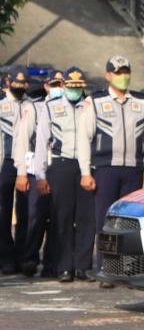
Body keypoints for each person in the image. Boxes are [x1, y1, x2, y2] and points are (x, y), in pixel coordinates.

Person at [78, 56, 144, 286]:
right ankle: (105, 268)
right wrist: (85, 172)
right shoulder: (96, 101)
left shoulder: (142, 101)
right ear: (108, 75)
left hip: (133, 170)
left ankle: (128, 269)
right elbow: (84, 138)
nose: (123, 75)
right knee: (105, 221)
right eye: (118, 71)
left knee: (130, 222)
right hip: (105, 170)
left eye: (126, 70)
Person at [35, 68, 95, 283]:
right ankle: (64, 267)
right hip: (61, 165)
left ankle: (83, 266)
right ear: (64, 86)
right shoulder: (52, 107)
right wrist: (40, 174)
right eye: (71, 87)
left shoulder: (89, 106)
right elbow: (42, 141)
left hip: (85, 165)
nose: (74, 91)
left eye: (78, 88)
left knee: (86, 219)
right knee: (62, 218)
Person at [14, 70, 63, 277]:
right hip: (36, 169)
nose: (58, 88)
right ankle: (30, 259)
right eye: (54, 84)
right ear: (46, 86)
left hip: (59, 168)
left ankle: (52, 262)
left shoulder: (67, 108)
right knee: (36, 216)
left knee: (57, 217)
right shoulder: (35, 107)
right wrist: (21, 172)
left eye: (61, 84)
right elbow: (23, 139)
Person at [0, 66, 31, 275]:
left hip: (28, 165)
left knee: (27, 212)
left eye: (23, 83)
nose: (19, 86)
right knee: (2, 212)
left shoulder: (33, 106)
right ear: (7, 81)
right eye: (16, 82)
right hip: (5, 163)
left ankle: (24, 256)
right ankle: (6, 257)